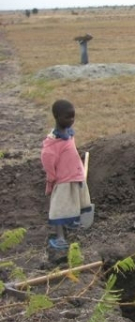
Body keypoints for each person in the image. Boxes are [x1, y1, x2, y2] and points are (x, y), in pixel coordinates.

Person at [40, 99, 92, 252]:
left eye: (73, 117)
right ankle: (60, 237)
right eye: (67, 117)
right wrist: (51, 180)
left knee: (75, 202)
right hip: (62, 181)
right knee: (59, 209)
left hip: (75, 176)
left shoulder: (68, 134)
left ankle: (73, 222)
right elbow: (47, 161)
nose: (71, 120)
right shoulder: (52, 143)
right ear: (56, 117)